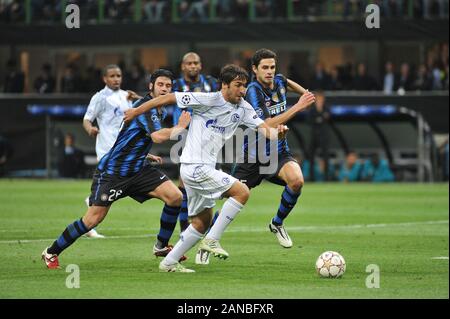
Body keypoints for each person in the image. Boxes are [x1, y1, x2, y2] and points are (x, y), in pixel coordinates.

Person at [123, 64, 291, 272]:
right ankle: (212, 240)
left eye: (244, 86)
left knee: (203, 221)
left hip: (202, 168)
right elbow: (168, 98)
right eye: (238, 85)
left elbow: (266, 130)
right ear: (224, 85)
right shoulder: (208, 99)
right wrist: (136, 111)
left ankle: (169, 262)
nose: (242, 90)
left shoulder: (244, 107)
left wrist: (279, 134)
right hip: (195, 166)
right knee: (242, 192)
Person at [41, 69, 191, 270]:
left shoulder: (156, 109)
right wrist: (180, 127)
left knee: (175, 197)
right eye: (161, 85)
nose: (165, 89)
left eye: (168, 86)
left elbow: (129, 136)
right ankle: (51, 252)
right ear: (151, 87)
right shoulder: (145, 108)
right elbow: (157, 137)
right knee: (92, 219)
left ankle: (161, 246)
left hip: (138, 169)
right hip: (114, 173)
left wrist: (144, 155)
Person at [197, 49, 316, 264]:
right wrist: (300, 105)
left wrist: (305, 93)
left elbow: (286, 81)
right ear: (254, 69)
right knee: (234, 199)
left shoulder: (278, 80)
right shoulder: (252, 90)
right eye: (265, 68)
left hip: (278, 153)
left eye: (272, 67)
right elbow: (268, 124)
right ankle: (207, 240)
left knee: (297, 180)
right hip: (251, 158)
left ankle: (277, 223)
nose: (270, 72)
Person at [82, 64, 136, 238]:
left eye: (118, 75)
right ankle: (91, 213)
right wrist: (90, 129)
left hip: (124, 147)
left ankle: (91, 202)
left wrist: (137, 98)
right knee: (109, 183)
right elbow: (87, 119)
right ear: (104, 78)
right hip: (106, 148)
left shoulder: (126, 96)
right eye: (112, 76)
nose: (116, 79)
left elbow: (143, 111)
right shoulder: (100, 97)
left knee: (115, 184)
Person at [171, 52, 219, 234]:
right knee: (184, 183)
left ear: (201, 65)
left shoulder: (211, 83)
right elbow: (158, 96)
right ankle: (186, 227)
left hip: (210, 136)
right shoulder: (175, 85)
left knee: (209, 180)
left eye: (196, 63)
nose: (193, 66)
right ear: (183, 66)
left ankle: (204, 222)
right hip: (185, 136)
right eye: (189, 63)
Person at [308, 91, 331, 181]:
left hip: (324, 136)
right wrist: (321, 118)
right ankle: (311, 177)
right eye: (317, 98)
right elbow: (309, 120)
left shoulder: (326, 107)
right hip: (314, 135)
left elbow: (328, 117)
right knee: (311, 156)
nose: (319, 100)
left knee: (325, 156)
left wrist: (319, 117)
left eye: (321, 98)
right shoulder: (312, 109)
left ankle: (326, 177)